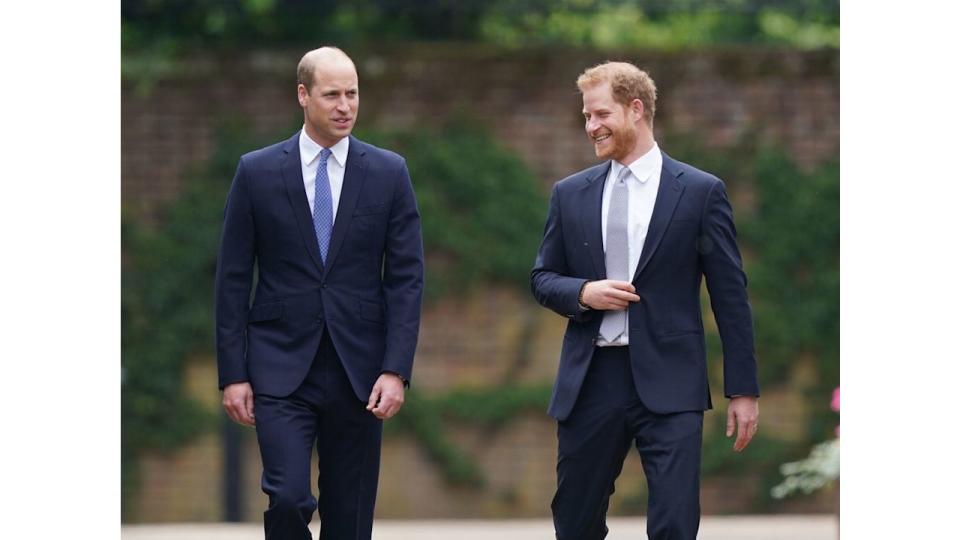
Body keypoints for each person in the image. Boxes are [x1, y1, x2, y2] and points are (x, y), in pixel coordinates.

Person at [530, 61, 759, 540]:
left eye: (600, 114)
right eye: (587, 117)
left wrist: (743, 389)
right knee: (574, 521)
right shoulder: (569, 194)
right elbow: (542, 278)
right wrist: (582, 292)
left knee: (675, 524)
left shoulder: (700, 192)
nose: (591, 127)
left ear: (636, 109)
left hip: (672, 381)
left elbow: (730, 297)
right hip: (591, 380)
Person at [215, 46, 424, 540]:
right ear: (303, 95)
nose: (345, 105)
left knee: (349, 519)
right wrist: (233, 373)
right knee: (287, 498)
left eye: (353, 93)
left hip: (361, 371)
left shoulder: (389, 172)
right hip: (279, 366)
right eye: (332, 94)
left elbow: (406, 279)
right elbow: (232, 277)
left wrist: (396, 369)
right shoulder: (257, 172)